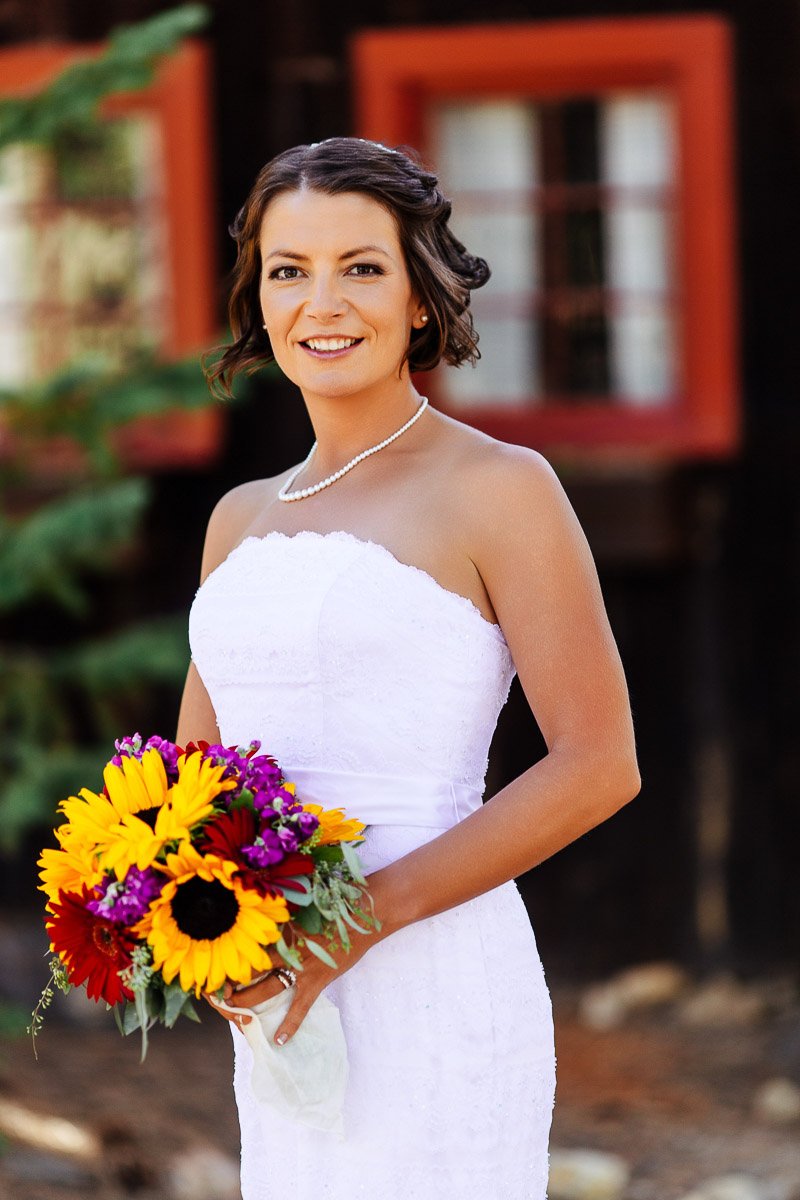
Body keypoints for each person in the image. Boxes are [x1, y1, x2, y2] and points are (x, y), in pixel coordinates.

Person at [177, 136, 641, 1200]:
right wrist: (186, 928)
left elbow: (598, 763)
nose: (321, 301)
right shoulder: (236, 519)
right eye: (289, 270)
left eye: (362, 267)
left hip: (434, 974)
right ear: (260, 298)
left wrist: (352, 923)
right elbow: (191, 777)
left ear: (421, 299)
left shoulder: (500, 488)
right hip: (280, 990)